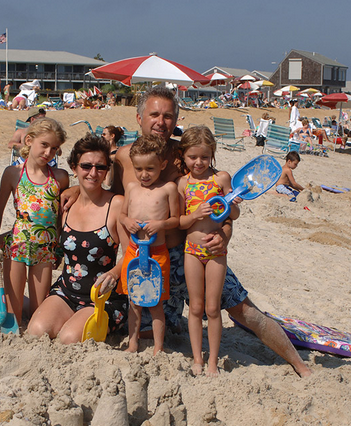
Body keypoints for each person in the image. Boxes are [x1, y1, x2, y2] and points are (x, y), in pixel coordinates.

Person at [101, 86, 312, 377]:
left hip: (193, 250)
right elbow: (112, 200)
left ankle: (299, 365)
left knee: (244, 310)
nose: (161, 122)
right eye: (154, 114)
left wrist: (224, 235)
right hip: (149, 256)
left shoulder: (188, 154)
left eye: (168, 115)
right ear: (139, 117)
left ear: (176, 120)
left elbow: (220, 207)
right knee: (139, 317)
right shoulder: (124, 157)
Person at [27, 134, 127, 343]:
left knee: (69, 339)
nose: (93, 173)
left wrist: (114, 273)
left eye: (100, 167)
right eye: (86, 166)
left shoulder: (116, 205)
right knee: (36, 331)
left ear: (107, 171)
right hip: (67, 290)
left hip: (102, 297)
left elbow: (129, 253)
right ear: (74, 168)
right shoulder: (66, 204)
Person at [0, 118, 69, 324]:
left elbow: (61, 217)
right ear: (29, 141)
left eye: (54, 149)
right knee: (14, 317)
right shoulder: (13, 174)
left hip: (45, 249)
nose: (48, 153)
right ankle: (14, 305)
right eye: (44, 145)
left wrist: (59, 248)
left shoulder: (60, 178)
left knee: (37, 315)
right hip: (17, 246)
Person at [176, 127, 239, 376]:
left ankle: (212, 360)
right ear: (184, 156)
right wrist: (194, 215)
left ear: (212, 154)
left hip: (216, 252)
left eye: (204, 157)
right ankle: (197, 358)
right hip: (191, 250)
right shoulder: (183, 183)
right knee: (194, 307)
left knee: (212, 309)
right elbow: (180, 222)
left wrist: (232, 205)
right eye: (193, 157)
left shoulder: (221, 179)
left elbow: (233, 216)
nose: (198, 162)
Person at [117, 135, 179, 355]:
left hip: (157, 253)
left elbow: (176, 220)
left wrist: (160, 224)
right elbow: (122, 215)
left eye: (150, 169)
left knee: (155, 303)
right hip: (134, 252)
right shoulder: (132, 188)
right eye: (139, 169)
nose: (144, 174)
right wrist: (128, 222)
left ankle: (158, 348)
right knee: (133, 301)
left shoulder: (168, 188)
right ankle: (133, 343)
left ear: (162, 165)